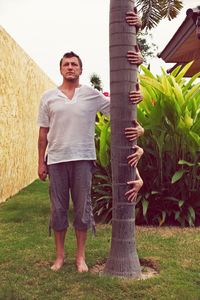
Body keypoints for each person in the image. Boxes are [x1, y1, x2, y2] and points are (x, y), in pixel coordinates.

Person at [37, 15, 144, 273]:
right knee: (59, 210)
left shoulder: (91, 95)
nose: (70, 67)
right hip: (57, 160)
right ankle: (60, 256)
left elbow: (120, 108)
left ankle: (80, 258)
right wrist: (40, 162)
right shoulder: (48, 98)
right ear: (60, 69)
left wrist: (138, 88)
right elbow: (43, 134)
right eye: (66, 64)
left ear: (81, 70)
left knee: (83, 210)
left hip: (84, 159)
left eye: (74, 64)